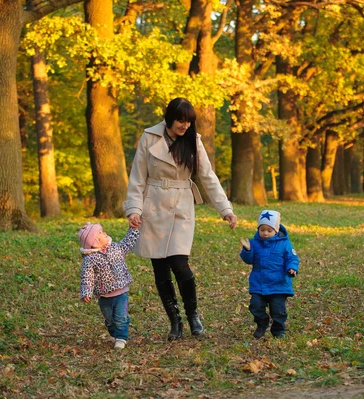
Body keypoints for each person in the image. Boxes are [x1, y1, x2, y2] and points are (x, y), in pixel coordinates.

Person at [124, 97, 237, 341]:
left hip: (181, 207)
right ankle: (175, 321)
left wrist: (225, 209)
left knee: (180, 264)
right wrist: (134, 209)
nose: (184, 126)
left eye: (188, 121)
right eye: (180, 120)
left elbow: (208, 177)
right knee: (160, 269)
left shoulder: (193, 141)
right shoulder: (149, 138)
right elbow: (137, 177)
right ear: (169, 117)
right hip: (152, 205)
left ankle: (192, 314)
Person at [79, 222, 140, 350]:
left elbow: (127, 243)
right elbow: (87, 277)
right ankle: (113, 332)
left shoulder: (115, 248)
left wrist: (133, 230)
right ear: (95, 242)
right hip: (104, 295)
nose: (105, 233)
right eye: (100, 233)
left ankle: (122, 337)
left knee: (121, 317)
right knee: (109, 319)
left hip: (120, 291)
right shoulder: (90, 259)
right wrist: (86, 292)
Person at [239, 210, 299, 339]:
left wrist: (292, 268)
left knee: (278, 310)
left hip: (278, 284)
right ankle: (262, 323)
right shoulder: (254, 243)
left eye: (269, 230)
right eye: (262, 230)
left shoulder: (284, 244)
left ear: (276, 230)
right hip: (259, 283)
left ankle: (278, 331)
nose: (265, 233)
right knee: (255, 306)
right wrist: (247, 250)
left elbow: (292, 258)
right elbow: (248, 260)